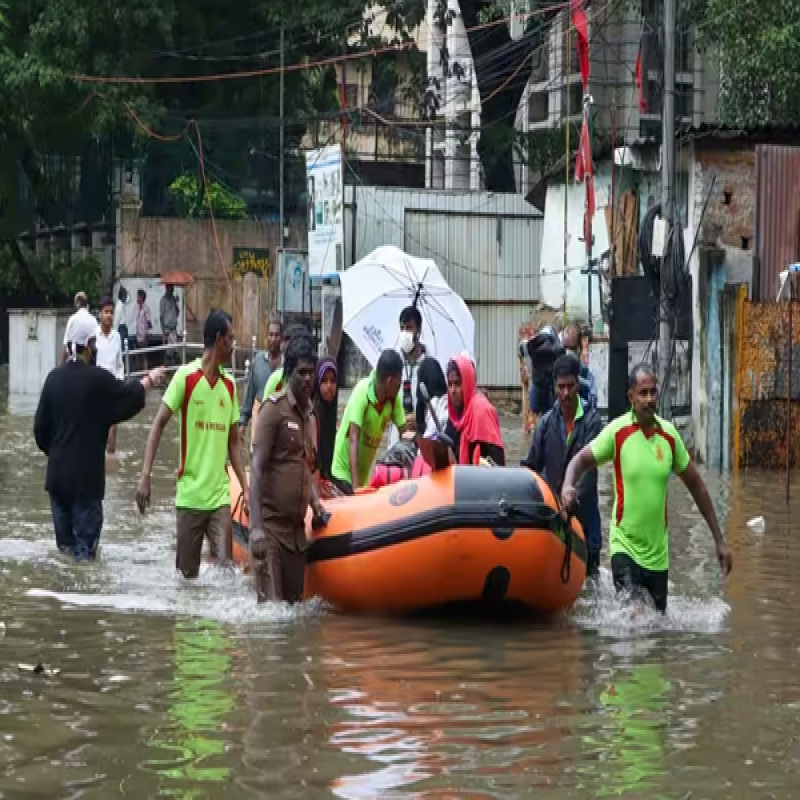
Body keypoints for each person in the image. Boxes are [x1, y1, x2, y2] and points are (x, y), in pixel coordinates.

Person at [561, 363, 733, 612]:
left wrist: (719, 541)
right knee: (636, 616)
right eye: (643, 393)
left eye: (653, 392)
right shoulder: (617, 433)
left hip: (658, 556)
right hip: (624, 547)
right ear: (631, 396)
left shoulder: (670, 437)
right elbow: (579, 461)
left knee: (657, 630)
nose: (649, 399)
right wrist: (567, 487)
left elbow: (697, 486)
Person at [34, 308, 165, 561]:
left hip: (57, 481)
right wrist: (150, 379)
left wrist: (58, 453)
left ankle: (61, 599)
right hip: (86, 483)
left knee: (65, 554)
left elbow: (39, 430)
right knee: (86, 557)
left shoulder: (53, 379)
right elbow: (128, 398)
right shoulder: (99, 381)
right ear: (89, 346)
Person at [135, 310, 249, 579]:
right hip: (189, 497)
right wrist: (145, 476)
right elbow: (158, 425)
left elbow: (234, 445)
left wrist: (245, 489)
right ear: (220, 340)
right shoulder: (185, 378)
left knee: (225, 576)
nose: (234, 345)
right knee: (186, 578)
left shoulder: (230, 385)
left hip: (220, 497)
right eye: (231, 339)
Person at [248, 332, 330, 603]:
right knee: (272, 620)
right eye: (301, 372)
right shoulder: (273, 411)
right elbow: (257, 470)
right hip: (271, 531)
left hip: (296, 535)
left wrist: (316, 504)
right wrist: (256, 529)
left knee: (292, 616)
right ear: (288, 373)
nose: (308, 379)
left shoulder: (310, 417)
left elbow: (304, 466)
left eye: (311, 372)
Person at [522, 353, 603, 577]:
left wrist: (570, 501)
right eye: (561, 387)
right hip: (553, 521)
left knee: (589, 586)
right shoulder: (546, 423)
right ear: (554, 388)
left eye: (570, 386)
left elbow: (588, 474)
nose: (566, 393)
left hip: (585, 520)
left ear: (579, 384)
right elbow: (532, 468)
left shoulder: (592, 422)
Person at [330, 348, 407, 494]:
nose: (400, 385)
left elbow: (405, 433)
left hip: (363, 476)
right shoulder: (362, 392)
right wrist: (356, 487)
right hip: (343, 472)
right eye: (399, 381)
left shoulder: (393, 398)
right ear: (390, 380)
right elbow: (354, 438)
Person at [445, 355, 505, 466]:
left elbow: (497, 464)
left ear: (467, 383)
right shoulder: (455, 416)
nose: (453, 391)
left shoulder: (481, 411)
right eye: (450, 384)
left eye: (458, 384)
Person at [387, 305, 425, 448]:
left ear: (419, 330)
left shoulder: (428, 364)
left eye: (409, 328)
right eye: (402, 328)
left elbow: (434, 404)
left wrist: (419, 419)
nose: (405, 333)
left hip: (419, 440)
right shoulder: (394, 362)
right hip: (396, 438)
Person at [239, 318, 283, 431]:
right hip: (259, 419)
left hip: (281, 420)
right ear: (266, 337)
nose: (273, 339)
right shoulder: (258, 362)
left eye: (277, 335)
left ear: (281, 338)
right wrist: (243, 421)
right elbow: (250, 394)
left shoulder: (287, 364)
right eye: (271, 335)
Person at [95, 297, 125, 454]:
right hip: (96, 389)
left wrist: (119, 382)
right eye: (106, 312)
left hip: (113, 388)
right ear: (100, 314)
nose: (109, 315)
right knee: (97, 431)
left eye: (111, 312)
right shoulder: (93, 337)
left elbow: (120, 365)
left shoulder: (117, 337)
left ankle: (111, 468)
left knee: (113, 430)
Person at [313, 356, 339, 496]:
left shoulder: (331, 413)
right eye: (324, 381)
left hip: (327, 476)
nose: (329, 386)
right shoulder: (313, 415)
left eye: (333, 381)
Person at [562, 321, 598, 409]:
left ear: (579, 348)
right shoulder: (556, 371)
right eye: (565, 347)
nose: (568, 352)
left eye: (572, 348)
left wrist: (579, 382)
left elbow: (592, 406)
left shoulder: (587, 375)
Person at [60, 291, 91, 364]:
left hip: (74, 362)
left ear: (77, 303)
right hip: (90, 364)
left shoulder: (72, 319)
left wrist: (61, 366)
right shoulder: (93, 321)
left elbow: (66, 346)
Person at [160, 283, 180, 365]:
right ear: (167, 288)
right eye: (170, 288)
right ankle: (167, 369)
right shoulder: (163, 300)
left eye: (173, 288)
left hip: (173, 328)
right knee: (168, 352)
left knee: (174, 350)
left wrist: (177, 303)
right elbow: (161, 316)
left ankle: (173, 369)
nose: (172, 290)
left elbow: (177, 313)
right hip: (167, 329)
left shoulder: (173, 299)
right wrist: (163, 332)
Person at [135, 289, 152, 371]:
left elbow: (149, 323)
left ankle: (145, 372)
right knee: (139, 354)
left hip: (144, 336)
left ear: (141, 297)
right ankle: (139, 372)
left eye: (138, 296)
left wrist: (146, 334)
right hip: (138, 335)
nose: (137, 298)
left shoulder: (146, 309)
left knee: (145, 355)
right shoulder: (138, 308)